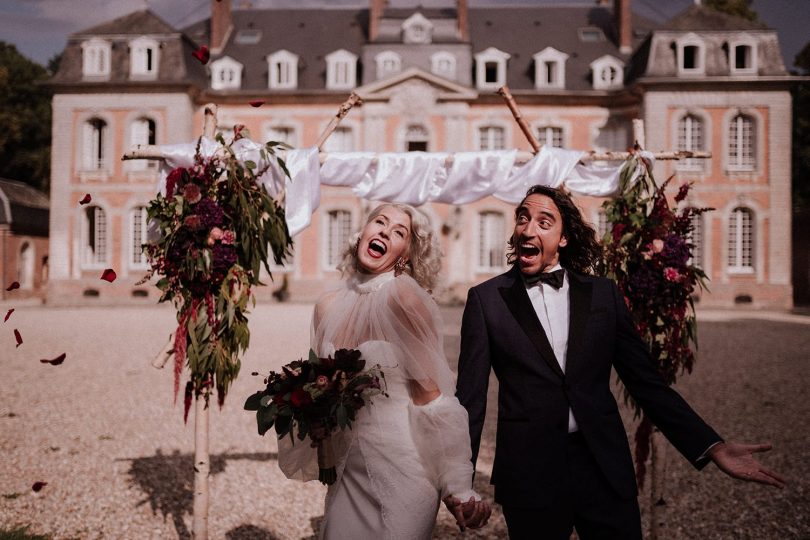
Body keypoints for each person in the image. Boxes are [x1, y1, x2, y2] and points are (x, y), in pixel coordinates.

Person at [456, 185, 785, 540]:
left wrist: (712, 446)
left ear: (563, 238)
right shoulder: (486, 301)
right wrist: (460, 483)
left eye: (543, 221)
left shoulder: (603, 295)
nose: (528, 228)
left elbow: (647, 384)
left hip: (602, 465)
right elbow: (470, 401)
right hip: (529, 471)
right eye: (523, 218)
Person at [278, 203, 491, 539]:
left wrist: (458, 485)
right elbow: (323, 389)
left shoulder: (403, 298)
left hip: (405, 471)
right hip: (349, 471)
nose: (384, 232)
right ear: (362, 231)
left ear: (404, 254)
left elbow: (430, 398)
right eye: (379, 222)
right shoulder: (327, 305)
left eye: (398, 232)